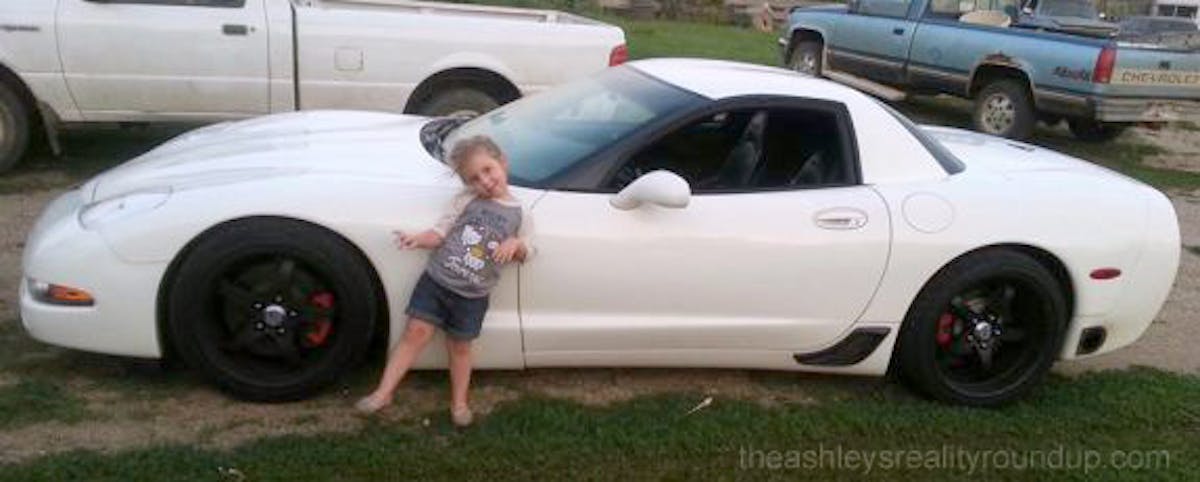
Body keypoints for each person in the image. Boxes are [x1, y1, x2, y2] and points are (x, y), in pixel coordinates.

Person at [355, 135, 534, 427]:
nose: (485, 181)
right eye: (474, 178)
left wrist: (516, 244)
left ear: (502, 162)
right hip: (436, 281)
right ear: (467, 184)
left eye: (488, 170)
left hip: (473, 296)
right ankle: (383, 393)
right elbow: (440, 233)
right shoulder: (465, 200)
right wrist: (417, 239)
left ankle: (459, 403)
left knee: (460, 348)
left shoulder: (521, 213)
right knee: (414, 334)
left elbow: (530, 250)